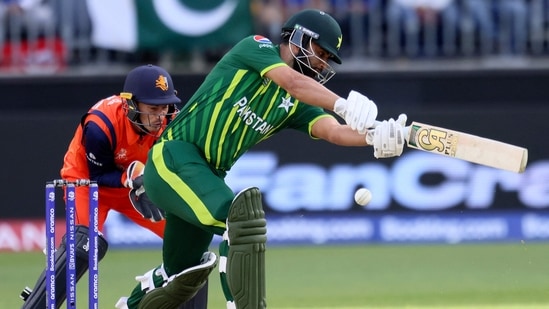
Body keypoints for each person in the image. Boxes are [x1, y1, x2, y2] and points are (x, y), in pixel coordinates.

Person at [116, 9, 407, 309]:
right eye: (320, 52)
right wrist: (342, 104)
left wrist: (376, 136)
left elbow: (333, 131)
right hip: (174, 157)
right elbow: (292, 82)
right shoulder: (255, 47)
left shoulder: (295, 103)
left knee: (181, 275)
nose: (322, 63)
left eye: (327, 59)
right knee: (241, 220)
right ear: (296, 38)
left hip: (206, 176)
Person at [20, 64, 208, 309]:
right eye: (153, 108)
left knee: (189, 245)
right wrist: (129, 177)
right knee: (82, 246)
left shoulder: (170, 124)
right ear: (131, 105)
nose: (160, 116)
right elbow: (98, 173)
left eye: (164, 107)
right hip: (87, 183)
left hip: (137, 186)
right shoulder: (101, 124)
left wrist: (151, 183)